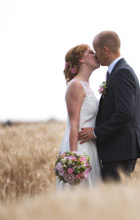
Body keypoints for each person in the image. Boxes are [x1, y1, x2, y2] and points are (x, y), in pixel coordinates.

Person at [79, 31, 140, 182]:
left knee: (116, 199)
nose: (95, 55)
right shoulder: (117, 71)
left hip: (119, 150)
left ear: (105, 49)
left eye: (96, 51)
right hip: (116, 149)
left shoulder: (122, 73)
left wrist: (95, 132)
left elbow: (124, 113)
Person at [56, 44, 101, 191]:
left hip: (90, 145)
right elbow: (74, 124)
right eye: (91, 52)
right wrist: (73, 158)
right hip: (80, 147)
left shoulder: (86, 86)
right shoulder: (76, 85)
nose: (95, 54)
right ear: (81, 59)